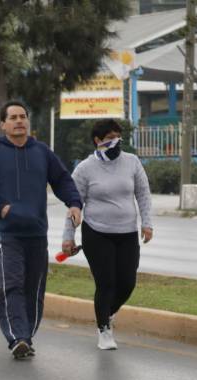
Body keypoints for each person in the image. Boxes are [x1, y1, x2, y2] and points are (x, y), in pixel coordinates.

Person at [0, 99, 82, 359]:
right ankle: (17, 337)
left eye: (23, 116)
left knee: (34, 289)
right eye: (13, 117)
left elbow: (62, 179)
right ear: (3, 124)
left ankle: (27, 335)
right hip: (9, 234)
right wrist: (1, 209)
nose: (19, 121)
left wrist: (74, 203)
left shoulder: (42, 152)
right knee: (11, 286)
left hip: (37, 234)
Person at [61, 118, 152, 351]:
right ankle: (104, 329)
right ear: (98, 141)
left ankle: (107, 313)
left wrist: (147, 223)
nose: (116, 142)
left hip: (127, 232)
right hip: (96, 232)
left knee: (128, 282)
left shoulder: (132, 162)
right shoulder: (84, 169)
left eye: (118, 137)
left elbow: (143, 193)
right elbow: (74, 204)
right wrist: (68, 236)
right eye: (110, 138)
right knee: (106, 282)